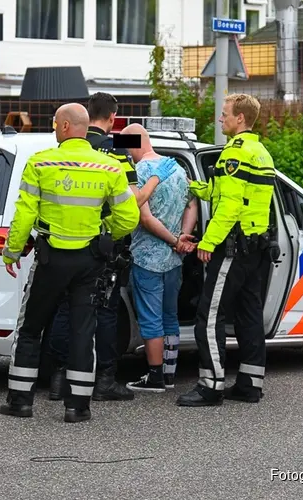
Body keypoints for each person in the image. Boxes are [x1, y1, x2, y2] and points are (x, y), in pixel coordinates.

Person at [0, 102, 140, 423]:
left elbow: (24, 215)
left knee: (31, 329)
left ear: (64, 127)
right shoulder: (110, 166)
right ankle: (78, 407)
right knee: (83, 331)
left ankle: (20, 401)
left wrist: (12, 251)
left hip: (50, 259)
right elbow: (128, 217)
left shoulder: (40, 163)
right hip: (90, 260)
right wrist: (106, 234)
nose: (52, 128)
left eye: (53, 124)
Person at [46, 93, 177, 402]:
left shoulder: (63, 149)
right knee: (105, 312)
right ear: (114, 119)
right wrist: (157, 178)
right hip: (104, 248)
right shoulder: (115, 151)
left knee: (65, 311)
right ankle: (104, 380)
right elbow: (132, 203)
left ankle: (59, 379)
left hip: (64, 243)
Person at [176, 93, 276, 407]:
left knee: (209, 317)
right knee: (249, 316)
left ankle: (211, 386)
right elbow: (222, 193)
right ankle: (249, 384)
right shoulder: (260, 151)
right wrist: (193, 186)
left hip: (232, 247)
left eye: (224, 115)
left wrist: (207, 243)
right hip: (254, 249)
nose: (221, 120)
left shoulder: (235, 153)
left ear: (240, 119)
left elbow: (229, 206)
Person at [119, 124, 199, 393]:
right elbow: (192, 204)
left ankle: (154, 377)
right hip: (174, 260)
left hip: (147, 257)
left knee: (151, 319)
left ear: (133, 145)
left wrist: (174, 240)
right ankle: (169, 374)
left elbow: (145, 218)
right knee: (170, 316)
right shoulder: (177, 168)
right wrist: (183, 237)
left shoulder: (139, 172)